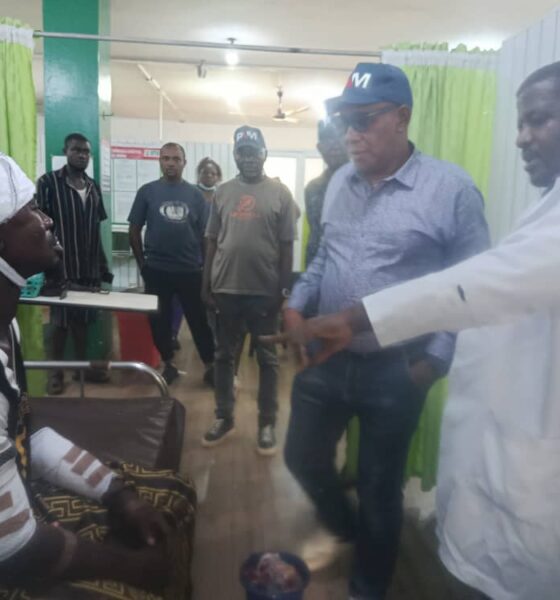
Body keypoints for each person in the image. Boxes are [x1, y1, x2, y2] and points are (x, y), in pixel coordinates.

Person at [268, 61, 560, 600]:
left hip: (396, 369)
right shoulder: (339, 185)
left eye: (364, 120)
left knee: (380, 488)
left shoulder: (451, 188)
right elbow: (324, 256)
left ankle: (368, 587)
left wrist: (430, 364)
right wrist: (297, 304)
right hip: (327, 359)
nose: (350, 134)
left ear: (401, 118)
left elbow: (473, 282)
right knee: (301, 457)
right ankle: (347, 528)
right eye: (345, 122)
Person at [0, 153, 196, 599]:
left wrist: (118, 495)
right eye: (31, 210)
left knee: (171, 495)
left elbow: (26, 434)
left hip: (17, 506)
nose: (47, 219)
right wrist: (132, 569)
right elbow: (12, 547)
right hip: (12, 551)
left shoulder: (7, 327)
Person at [201, 126, 296, 455]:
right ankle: (224, 417)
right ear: (235, 156)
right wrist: (206, 284)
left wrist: (284, 290)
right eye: (242, 152)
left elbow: (287, 246)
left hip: (264, 292)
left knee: (268, 359)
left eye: (254, 152)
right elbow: (212, 240)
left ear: (264, 154)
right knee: (224, 356)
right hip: (226, 289)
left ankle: (266, 423)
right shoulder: (222, 192)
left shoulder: (280, 194)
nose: (249, 158)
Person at [128, 142, 215, 386]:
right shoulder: (147, 192)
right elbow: (134, 230)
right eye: (166, 158)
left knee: (200, 322)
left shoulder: (196, 196)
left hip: (191, 270)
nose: (170, 163)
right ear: (160, 161)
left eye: (176, 159)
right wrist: (143, 266)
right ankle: (169, 364)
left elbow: (206, 237)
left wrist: (206, 271)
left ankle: (211, 366)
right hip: (157, 270)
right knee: (159, 321)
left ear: (184, 163)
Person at [36, 133, 113, 395]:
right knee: (60, 323)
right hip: (61, 265)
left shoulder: (92, 186)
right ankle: (55, 375)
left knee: (83, 321)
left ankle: (81, 369)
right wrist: (47, 264)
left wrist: (102, 266)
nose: (81, 155)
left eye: (85, 151)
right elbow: (41, 228)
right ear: (65, 151)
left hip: (88, 266)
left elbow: (95, 228)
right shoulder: (48, 183)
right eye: (76, 150)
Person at [170, 157, 224, 352]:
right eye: (204, 172)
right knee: (180, 297)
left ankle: (211, 336)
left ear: (218, 176)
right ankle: (173, 333)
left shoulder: (223, 196)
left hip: (216, 253)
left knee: (210, 295)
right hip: (190, 252)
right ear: (198, 174)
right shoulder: (190, 194)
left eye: (213, 173)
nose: (208, 176)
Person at [304, 120, 347, 267]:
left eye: (340, 136)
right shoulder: (312, 188)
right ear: (319, 147)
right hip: (318, 269)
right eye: (328, 138)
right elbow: (315, 235)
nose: (335, 144)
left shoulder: (368, 184)